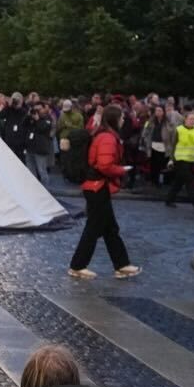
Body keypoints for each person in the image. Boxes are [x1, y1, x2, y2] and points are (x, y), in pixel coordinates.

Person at [68, 104, 140, 280]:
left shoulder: (103, 135)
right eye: (122, 117)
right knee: (94, 227)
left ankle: (122, 265)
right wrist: (122, 170)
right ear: (115, 119)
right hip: (97, 187)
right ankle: (77, 265)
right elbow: (105, 165)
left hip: (96, 186)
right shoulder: (108, 138)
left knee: (109, 229)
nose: (124, 120)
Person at [165, 109, 194, 209]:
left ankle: (169, 199)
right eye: (190, 119)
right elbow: (174, 145)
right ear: (185, 119)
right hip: (180, 159)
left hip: (191, 159)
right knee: (190, 180)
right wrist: (171, 159)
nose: (192, 121)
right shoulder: (179, 129)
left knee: (179, 182)